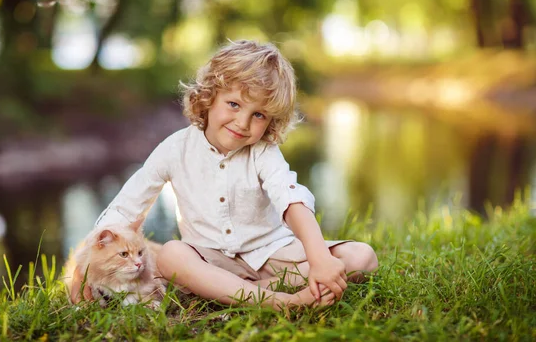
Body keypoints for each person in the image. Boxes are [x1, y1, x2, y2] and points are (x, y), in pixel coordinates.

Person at [70, 40, 378, 309]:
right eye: (233, 104)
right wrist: (86, 261)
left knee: (362, 258)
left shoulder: (263, 151)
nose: (243, 123)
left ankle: (233, 292)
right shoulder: (175, 148)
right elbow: (127, 208)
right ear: (209, 97)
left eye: (258, 115)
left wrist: (320, 258)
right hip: (207, 260)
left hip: (271, 255)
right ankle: (282, 301)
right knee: (172, 256)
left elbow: (291, 199)